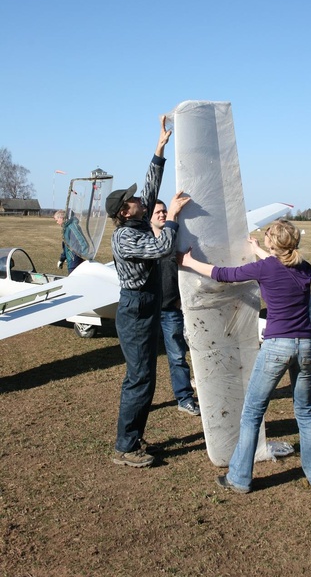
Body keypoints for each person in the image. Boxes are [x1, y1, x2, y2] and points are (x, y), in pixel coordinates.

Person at [179, 220, 311, 494]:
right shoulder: (305, 268)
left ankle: (239, 478)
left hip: (277, 347)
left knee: (252, 412)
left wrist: (189, 261)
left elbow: (222, 273)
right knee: (306, 413)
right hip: (306, 345)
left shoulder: (267, 267)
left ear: (274, 244)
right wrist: (258, 249)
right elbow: (280, 263)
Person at [106, 116, 190, 469]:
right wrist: (171, 216)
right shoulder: (128, 236)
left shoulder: (135, 219)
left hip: (145, 305)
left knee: (145, 378)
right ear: (125, 212)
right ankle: (126, 447)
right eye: (133, 200)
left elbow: (150, 185)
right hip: (137, 308)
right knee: (139, 379)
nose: (140, 199)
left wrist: (160, 145)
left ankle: (133, 438)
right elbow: (163, 247)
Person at [150, 200, 200, 416]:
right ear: (148, 217)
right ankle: (142, 402)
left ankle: (184, 398)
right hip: (147, 312)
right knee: (143, 361)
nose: (162, 215)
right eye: (158, 212)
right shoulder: (143, 242)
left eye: (165, 211)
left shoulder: (175, 238)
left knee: (177, 356)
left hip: (171, 310)